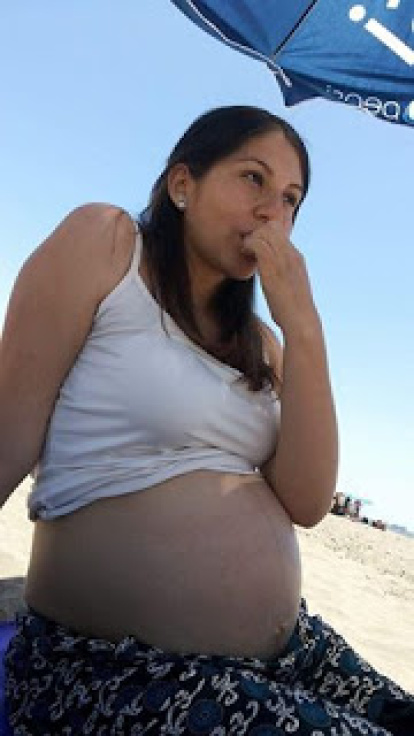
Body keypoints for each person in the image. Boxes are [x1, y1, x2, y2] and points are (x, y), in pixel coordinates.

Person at [0, 105, 412, 735]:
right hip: (111, 668)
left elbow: (306, 501)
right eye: (253, 178)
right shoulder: (106, 244)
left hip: (290, 651)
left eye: (291, 199)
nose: (273, 212)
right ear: (182, 184)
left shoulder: (263, 343)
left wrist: (304, 329)